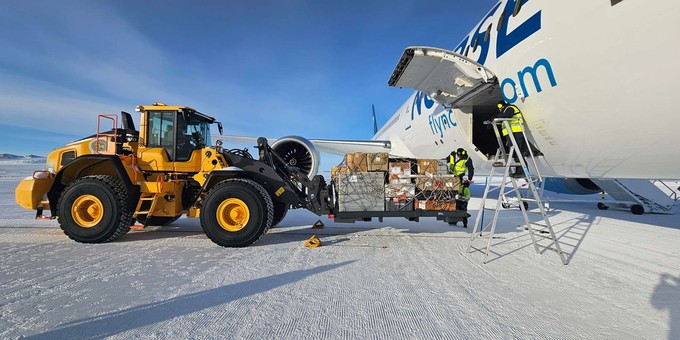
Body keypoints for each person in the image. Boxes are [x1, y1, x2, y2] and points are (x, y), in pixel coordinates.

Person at [496, 100, 526, 177]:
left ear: (501, 106)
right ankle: (518, 171)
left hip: (516, 132)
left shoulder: (510, 108)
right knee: (515, 153)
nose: (499, 109)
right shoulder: (506, 110)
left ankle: (522, 172)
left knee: (518, 151)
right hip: (512, 133)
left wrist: (496, 117)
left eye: (499, 107)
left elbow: (508, 115)